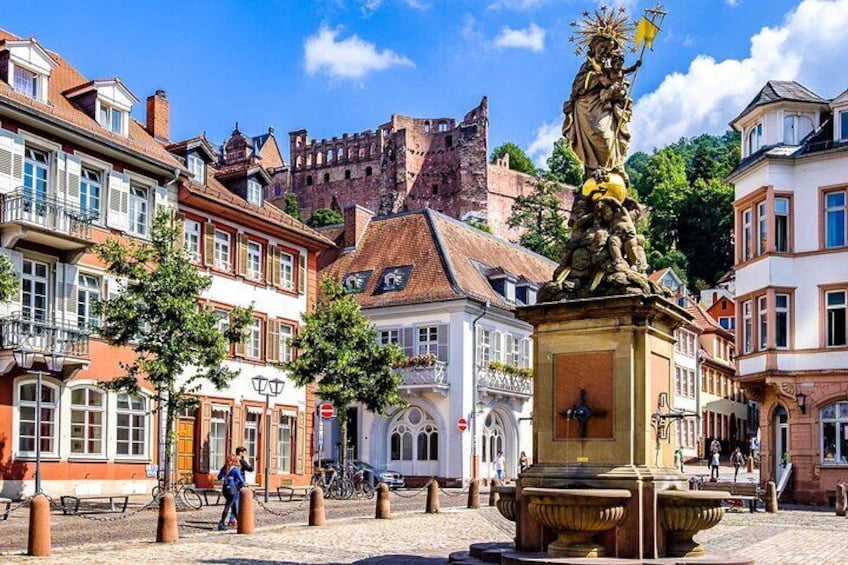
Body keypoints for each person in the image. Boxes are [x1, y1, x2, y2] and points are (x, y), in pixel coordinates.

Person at [218, 455, 244, 531]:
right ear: (234, 461)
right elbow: (241, 480)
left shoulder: (224, 468)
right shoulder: (235, 469)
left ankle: (239, 522)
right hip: (232, 489)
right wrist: (238, 483)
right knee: (228, 505)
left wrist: (226, 476)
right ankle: (221, 523)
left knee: (233, 507)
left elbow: (219, 477)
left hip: (225, 489)